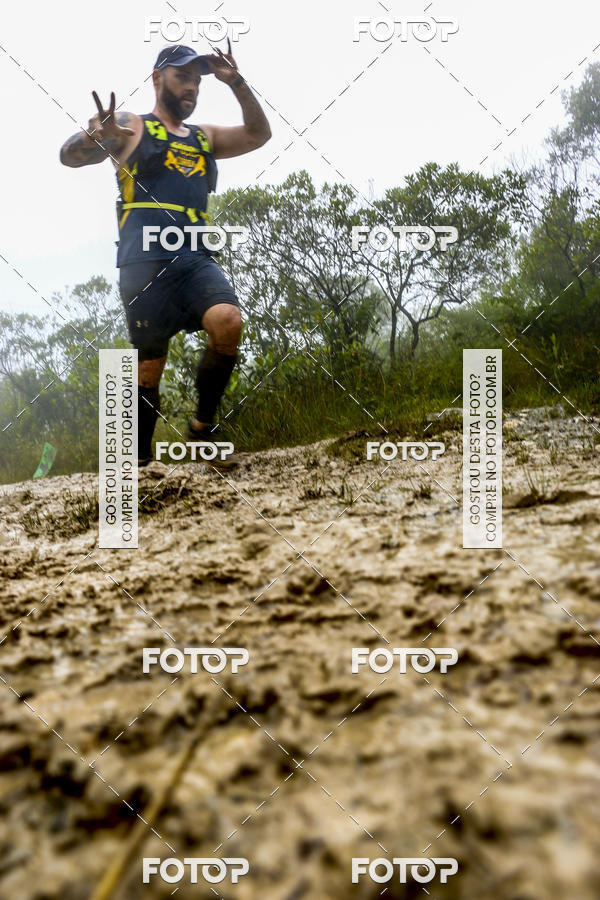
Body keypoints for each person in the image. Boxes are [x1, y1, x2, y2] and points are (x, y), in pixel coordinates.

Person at [60, 42, 271, 466]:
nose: (191, 86)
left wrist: (237, 83)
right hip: (142, 265)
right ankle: (138, 465)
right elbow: (69, 156)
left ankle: (201, 429)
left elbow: (258, 135)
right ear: (158, 78)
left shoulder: (203, 137)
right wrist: (94, 137)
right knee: (148, 370)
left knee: (228, 321)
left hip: (193, 258)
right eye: (181, 77)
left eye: (196, 79)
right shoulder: (131, 125)